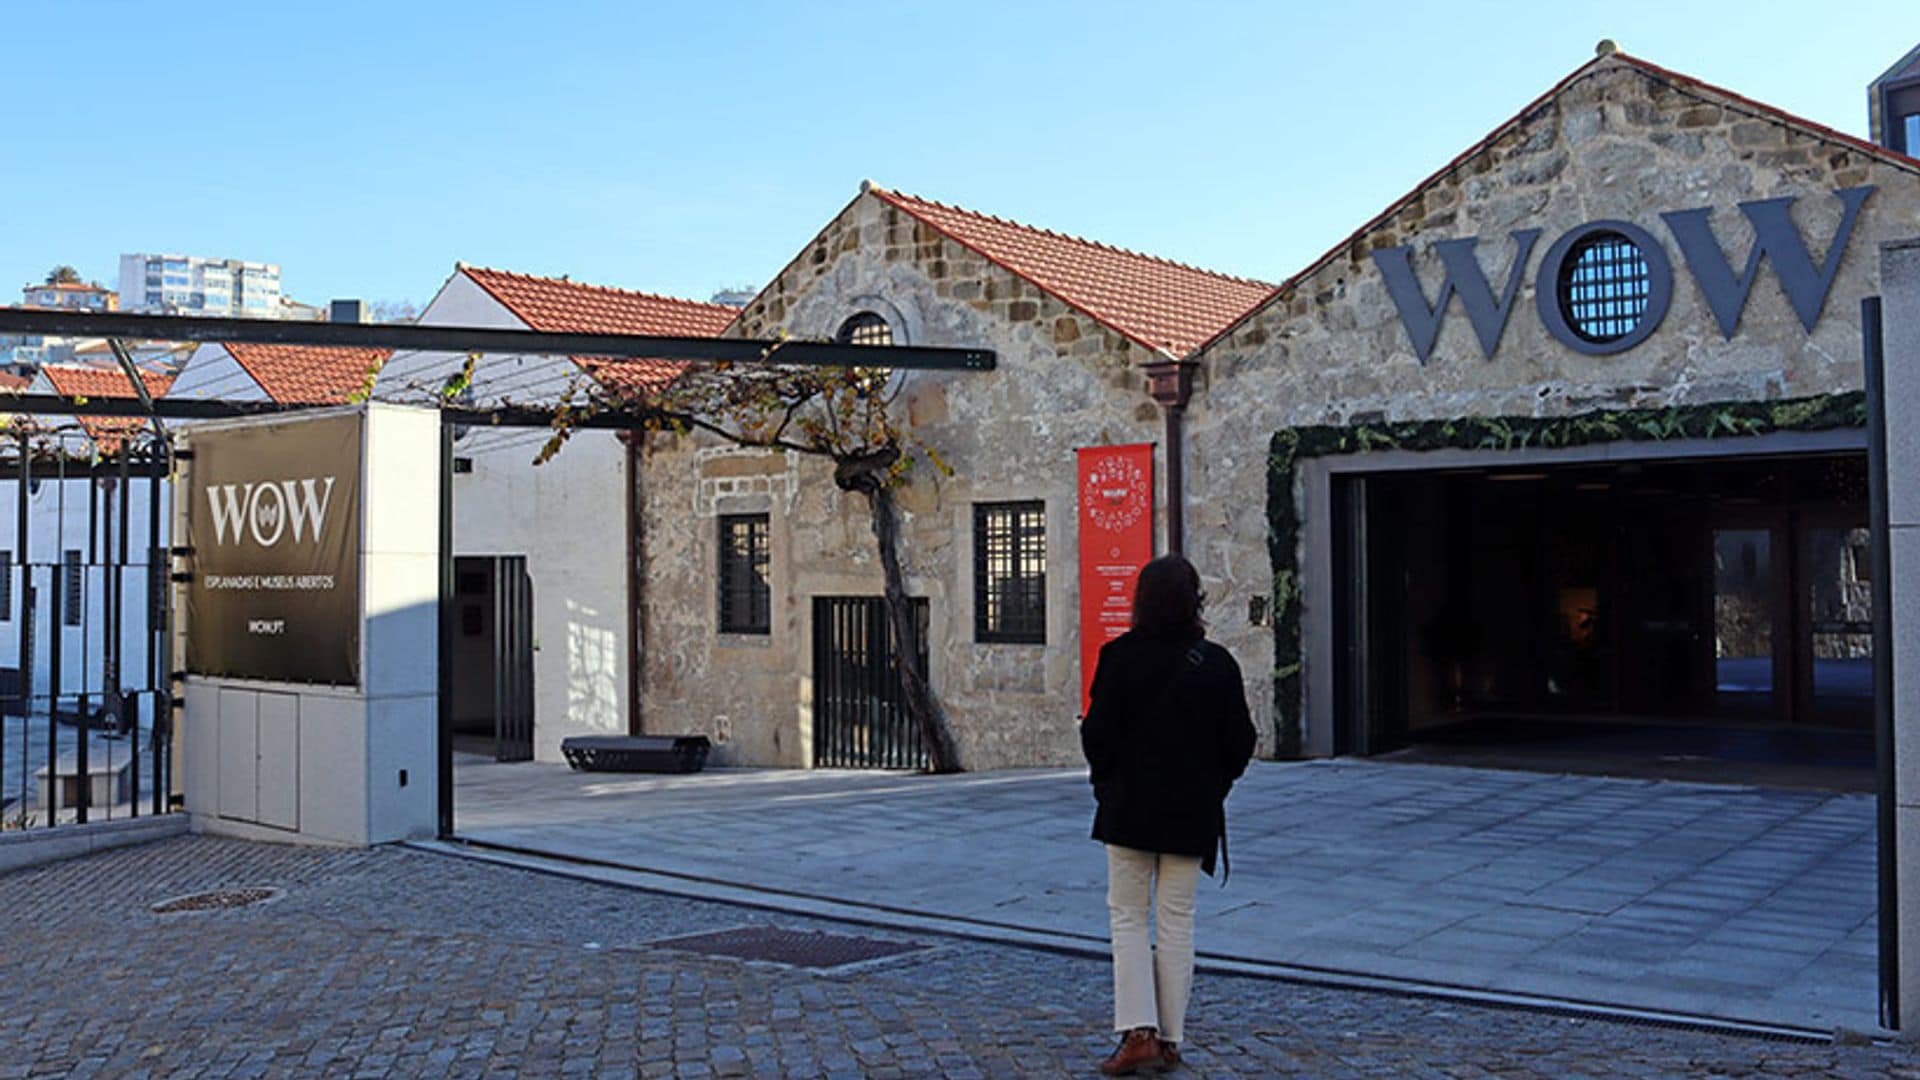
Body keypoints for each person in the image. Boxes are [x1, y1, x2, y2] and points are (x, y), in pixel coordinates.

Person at [1081, 553, 1256, 1075]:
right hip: (1190, 813)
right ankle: (1171, 1038)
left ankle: (1139, 1032)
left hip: (1130, 808)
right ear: (1194, 601)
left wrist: (1108, 781)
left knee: (1128, 917)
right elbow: (1241, 743)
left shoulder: (1119, 657)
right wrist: (1213, 787)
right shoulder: (1218, 663)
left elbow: (1097, 736)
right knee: (1178, 921)